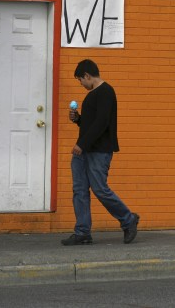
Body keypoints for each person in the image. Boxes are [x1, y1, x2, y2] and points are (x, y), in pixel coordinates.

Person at [61, 59, 139, 246]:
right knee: (79, 190)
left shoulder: (106, 92)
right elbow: (90, 124)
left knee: (100, 189)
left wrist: (82, 144)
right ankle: (82, 232)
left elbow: (102, 123)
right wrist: (78, 119)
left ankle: (128, 220)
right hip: (84, 150)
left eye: (80, 80)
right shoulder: (92, 95)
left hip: (98, 151)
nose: (81, 84)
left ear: (87, 75)